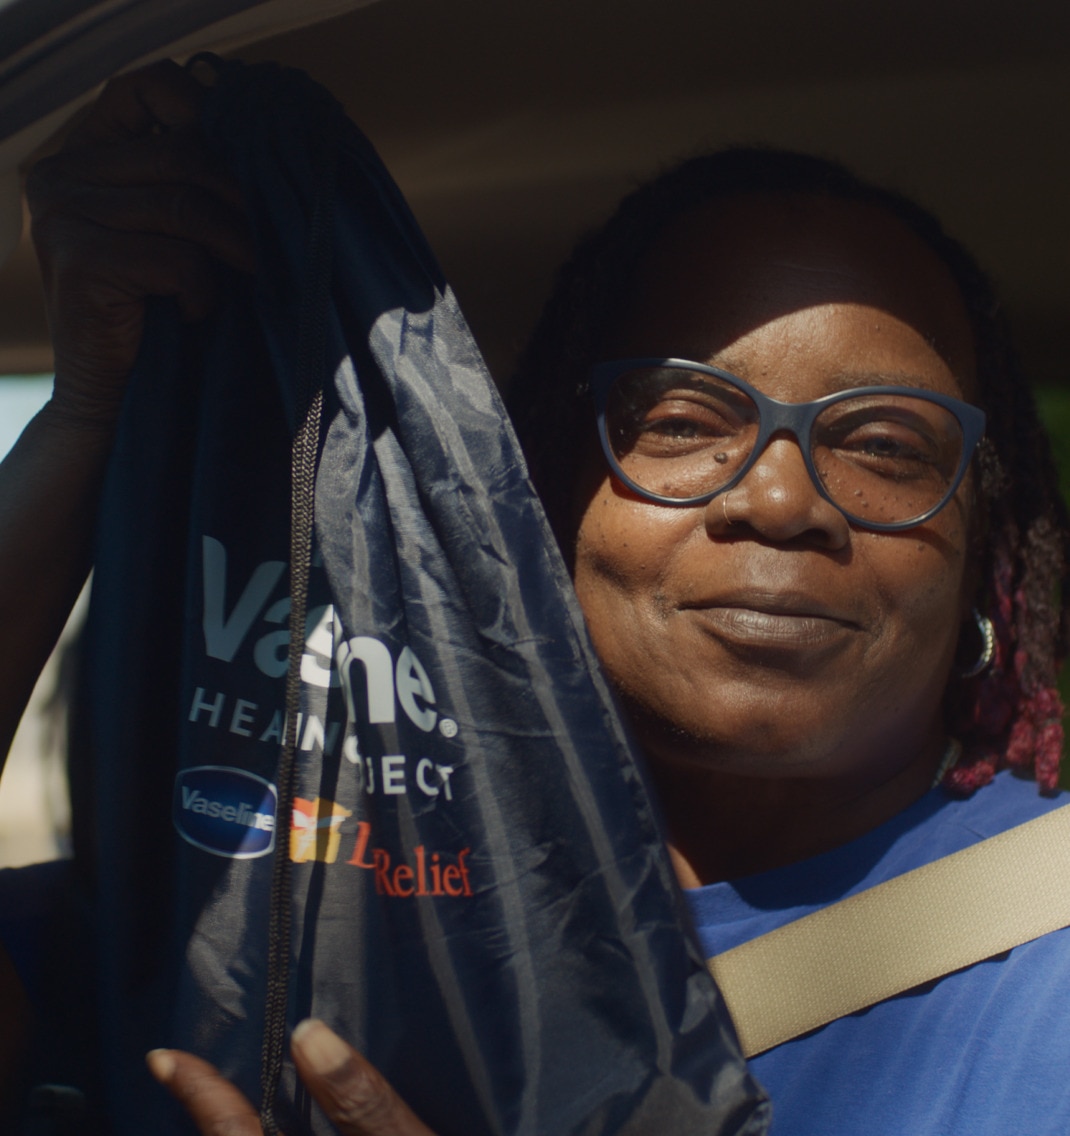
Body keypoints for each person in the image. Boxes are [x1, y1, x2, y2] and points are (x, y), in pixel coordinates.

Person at [4, 60, 1070, 1134]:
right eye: (682, 421)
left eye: (884, 445)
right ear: (535, 507)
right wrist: (82, 421)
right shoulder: (305, 891)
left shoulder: (1044, 958)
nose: (781, 499)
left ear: (981, 549)